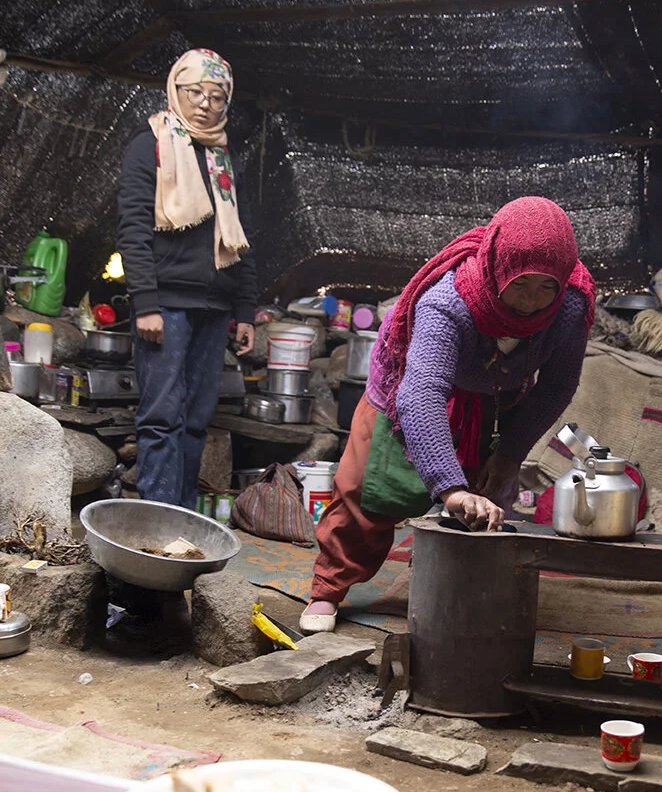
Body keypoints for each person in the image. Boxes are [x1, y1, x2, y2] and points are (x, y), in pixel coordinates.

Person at [299, 196, 596, 633]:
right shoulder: (448, 302)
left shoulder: (570, 307)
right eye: (521, 284)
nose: (533, 301)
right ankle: (327, 590)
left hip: (494, 395)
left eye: (546, 286)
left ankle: (458, 594)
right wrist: (450, 487)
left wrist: (511, 453)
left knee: (485, 501)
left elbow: (555, 387)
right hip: (410, 387)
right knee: (369, 491)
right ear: (498, 265)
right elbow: (421, 395)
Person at [117, 47, 257, 509]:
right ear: (175, 89)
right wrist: (146, 303)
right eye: (194, 91)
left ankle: (180, 521)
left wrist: (245, 312)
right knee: (160, 418)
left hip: (215, 308)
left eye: (216, 97)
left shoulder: (223, 158)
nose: (204, 103)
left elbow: (239, 236)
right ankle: (154, 521)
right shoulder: (151, 143)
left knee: (196, 420)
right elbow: (133, 228)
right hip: (166, 305)